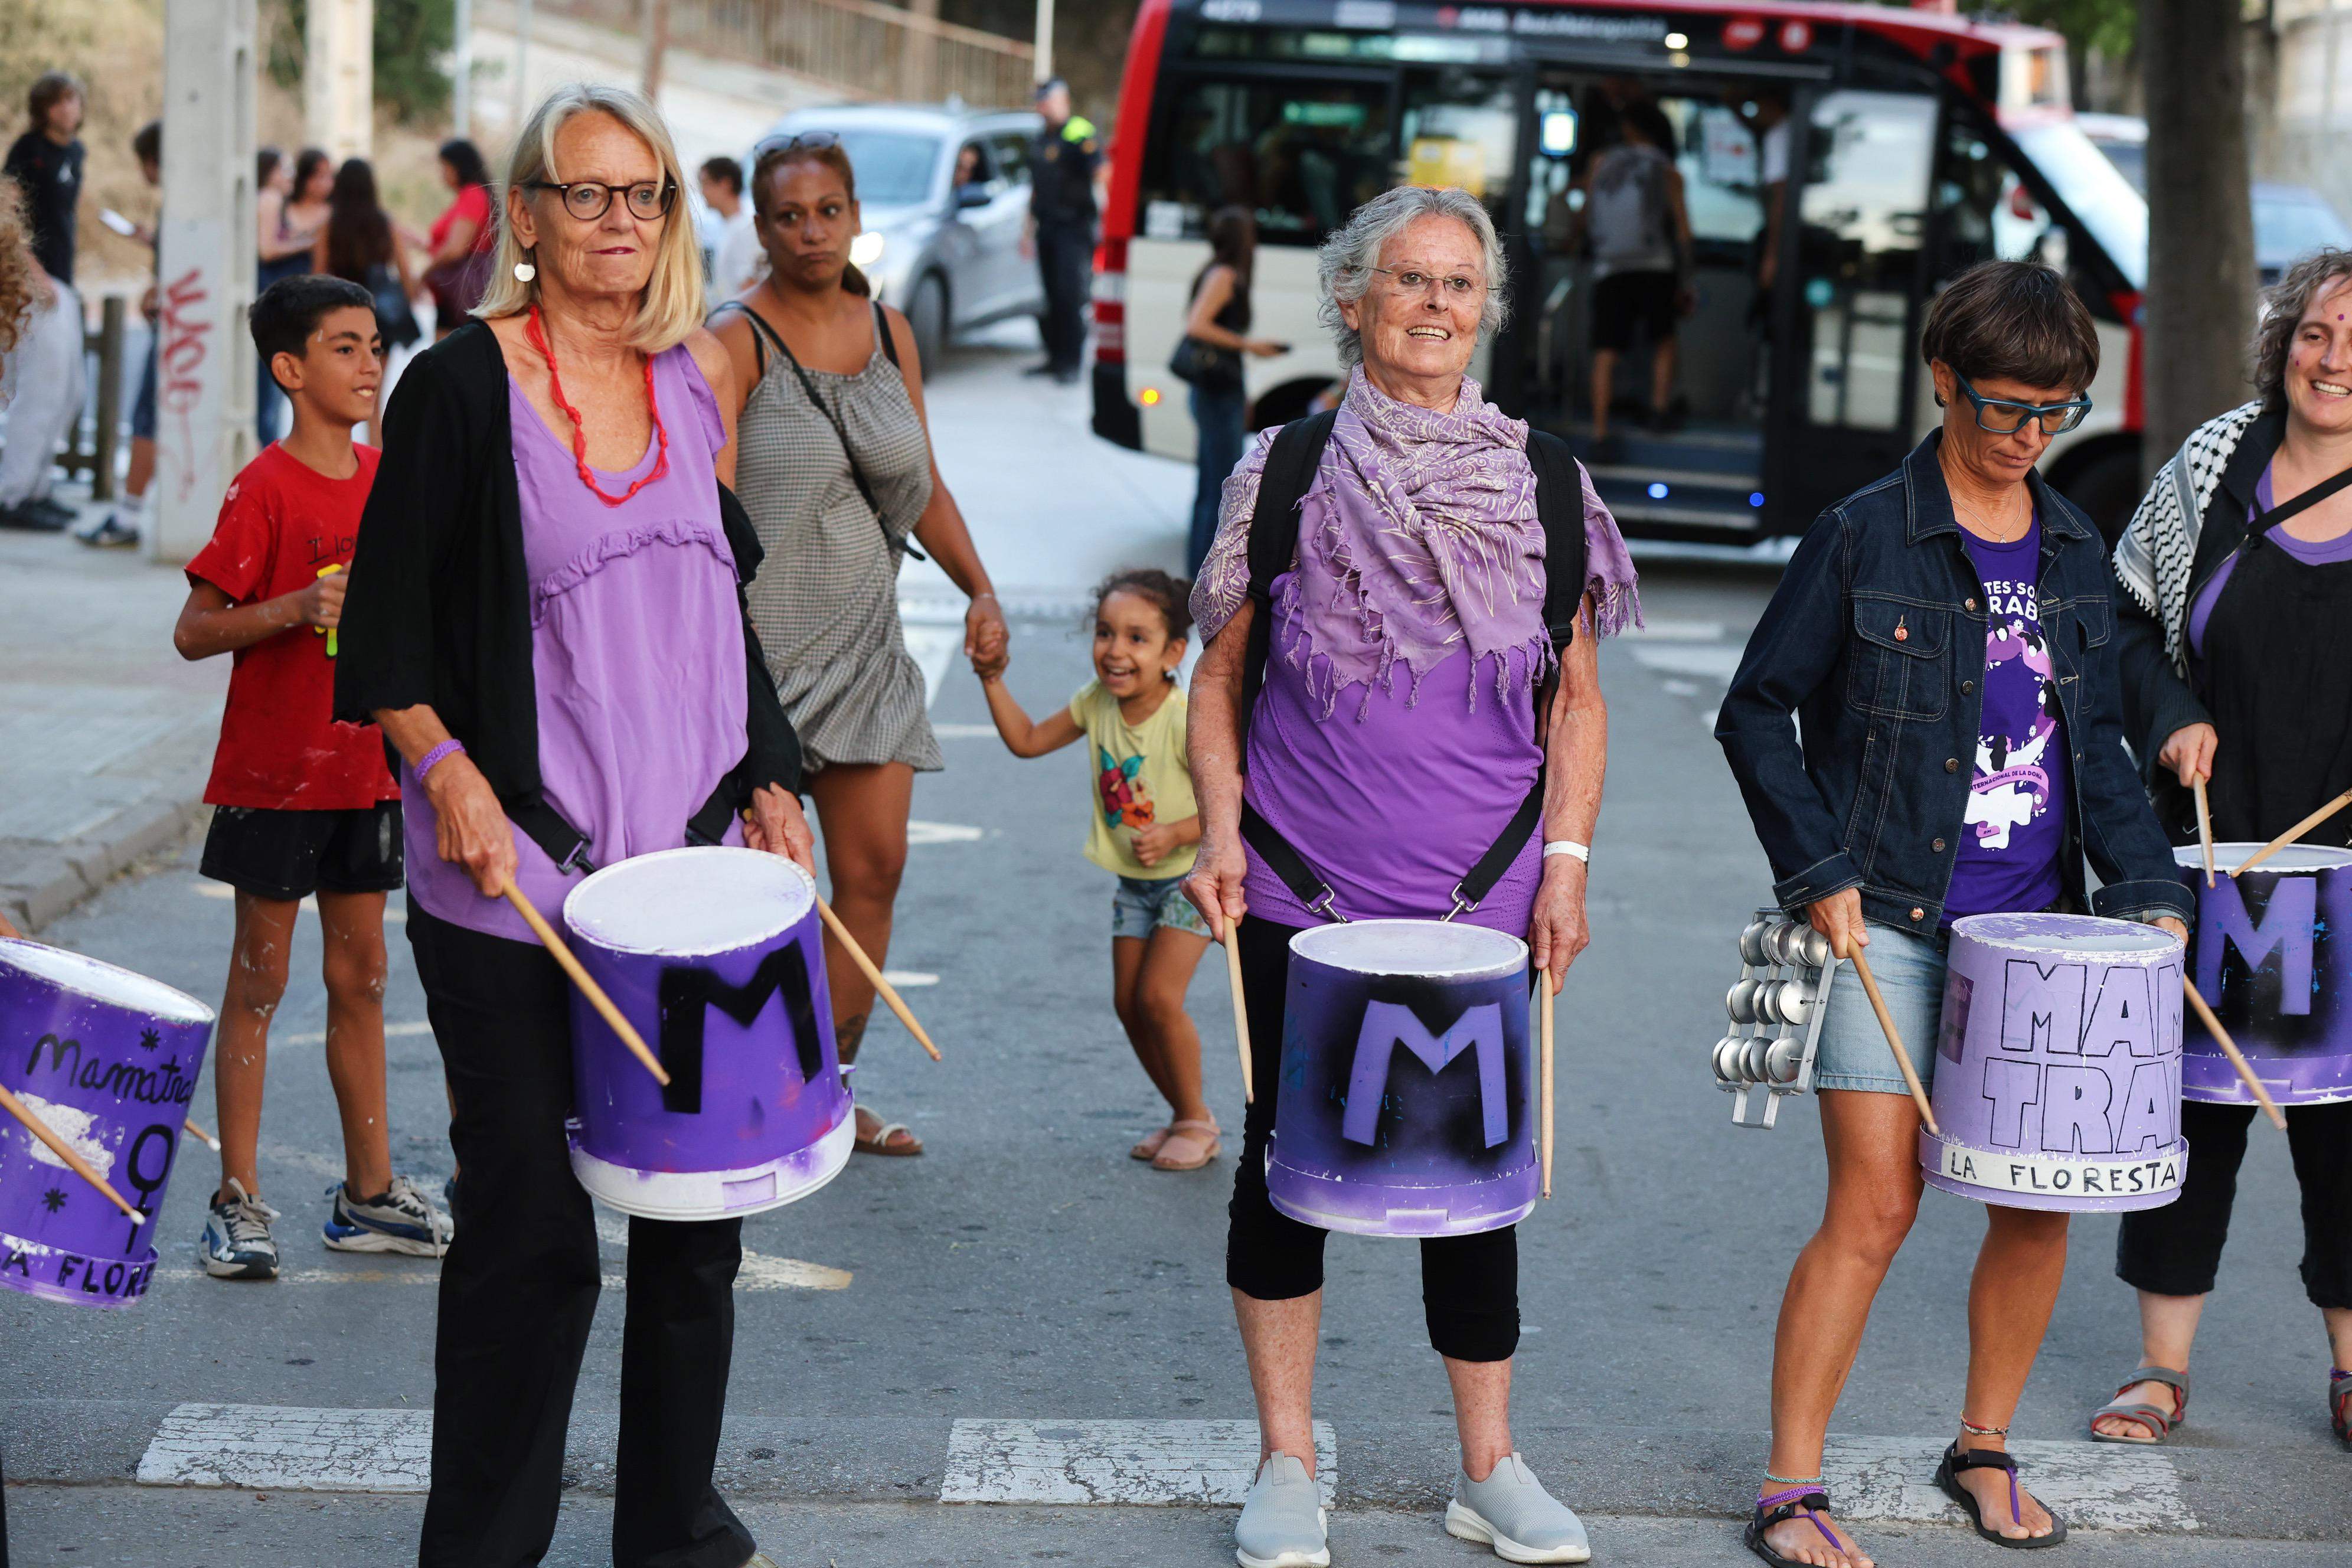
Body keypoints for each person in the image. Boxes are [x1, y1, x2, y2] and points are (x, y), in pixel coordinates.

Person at [336, 83, 811, 1568]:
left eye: (647, 193)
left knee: (695, 1225)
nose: (622, 220)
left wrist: (774, 766)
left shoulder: (688, 379)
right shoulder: (458, 388)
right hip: (520, 886)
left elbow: (720, 598)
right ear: (526, 216)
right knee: (533, 1234)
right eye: (590, 193)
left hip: (692, 881)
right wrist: (450, 775)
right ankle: (482, 1548)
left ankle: (675, 1532)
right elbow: (392, 639)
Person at [1715, 260, 2194, 1568]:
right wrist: (1818, 870)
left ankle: (1983, 1443)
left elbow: (2095, 744)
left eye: (2058, 413)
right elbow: (1758, 706)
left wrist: (2150, 896)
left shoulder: (2077, 546)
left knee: (2036, 1204)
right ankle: (1791, 1483)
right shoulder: (1865, 531)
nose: (2031, 436)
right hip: (1891, 924)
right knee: (1874, 1206)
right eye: (2006, 408)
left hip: (2037, 934)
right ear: (1943, 378)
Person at [1187, 184, 1639, 1568]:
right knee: (1283, 1174)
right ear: (1352, 301)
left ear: (1484, 307)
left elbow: (1577, 697)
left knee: (1477, 1187)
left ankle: (1488, 1467)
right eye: (1409, 282)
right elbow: (1218, 677)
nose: (1436, 306)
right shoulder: (1287, 469)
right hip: (1302, 891)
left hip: (1486, 903)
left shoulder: (1546, 480)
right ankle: (1285, 1458)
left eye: (1459, 283)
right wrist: (1216, 834)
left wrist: (1564, 866)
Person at [710, 132, 1007, 1159]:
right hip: (760, 666)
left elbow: (918, 483)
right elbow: (701, 515)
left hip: (868, 649)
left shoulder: (888, 330)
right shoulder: (732, 340)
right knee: (758, 900)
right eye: (788, 216)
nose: (810, 232)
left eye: (827, 210)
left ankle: (818, 1093)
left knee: (870, 876)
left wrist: (979, 586)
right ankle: (740, 1095)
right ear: (759, 227)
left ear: (851, 214)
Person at [2099, 247, 2352, 1451]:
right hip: (2207, 850)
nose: (2335, 356)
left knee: (2351, 1130)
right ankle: (2160, 1366)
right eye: (2315, 332)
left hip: (2350, 873)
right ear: (2282, 342)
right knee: (2190, 1117)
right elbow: (2130, 623)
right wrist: (2170, 715)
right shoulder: (2213, 464)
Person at [172, 274, 452, 1279]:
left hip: (365, 771)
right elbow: (195, 630)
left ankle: (367, 1193)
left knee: (364, 976)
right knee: (260, 977)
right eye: (345, 347)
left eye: (376, 344)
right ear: (291, 369)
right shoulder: (266, 487)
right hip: (274, 772)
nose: (370, 363)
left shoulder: (388, 479)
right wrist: (295, 606)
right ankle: (237, 1199)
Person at [979, 569, 1221, 1171]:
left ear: (1173, 653)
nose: (1116, 650)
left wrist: (1174, 831)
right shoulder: (1095, 703)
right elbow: (1029, 740)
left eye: (1138, 638)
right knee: (1127, 1003)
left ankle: (1197, 1119)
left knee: (1159, 998)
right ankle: (1182, 1113)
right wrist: (991, 679)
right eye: (1106, 633)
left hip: (1188, 881)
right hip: (1133, 887)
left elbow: (1229, 804)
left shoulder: (1182, 720)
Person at [1569, 103, 1691, 460]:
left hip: (1611, 269)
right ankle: (1657, 410)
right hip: (1657, 265)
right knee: (1663, 339)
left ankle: (1600, 432)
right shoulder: (1666, 168)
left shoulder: (1600, 163)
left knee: (1606, 351)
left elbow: (1584, 216)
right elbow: (1683, 229)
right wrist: (1687, 278)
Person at [0, 73, 87, 532]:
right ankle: (12, 495)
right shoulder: (26, 151)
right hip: (37, 284)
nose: (66, 109)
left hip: (64, 282)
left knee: (71, 392)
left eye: (72, 100)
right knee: (40, 391)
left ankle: (37, 487)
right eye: (57, 101)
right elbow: (6, 216)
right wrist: (34, 274)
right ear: (43, 108)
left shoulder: (76, 153)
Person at [1180, 206, 1283, 576]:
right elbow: (1197, 325)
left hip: (1219, 390)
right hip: (1216, 392)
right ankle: (1203, 576)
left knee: (1211, 483)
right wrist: (1250, 345)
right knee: (1220, 486)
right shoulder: (1224, 275)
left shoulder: (1217, 270)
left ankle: (1197, 572)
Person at [79, 119, 162, 549]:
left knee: (148, 416)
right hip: (182, 325)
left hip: (174, 330)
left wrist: (159, 290)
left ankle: (127, 514)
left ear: (153, 161)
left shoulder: (181, 202)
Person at [315, 158, 423, 442]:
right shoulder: (384, 223)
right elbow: (403, 268)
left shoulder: (331, 224)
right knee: (375, 397)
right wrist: (408, 305)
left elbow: (318, 274)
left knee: (340, 397)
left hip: (342, 318)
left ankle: (344, 465)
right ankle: (378, 467)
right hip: (380, 321)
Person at [1025, 77, 1099, 385]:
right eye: (1040, 102)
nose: (1043, 108)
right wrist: (1026, 231)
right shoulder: (1041, 138)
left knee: (1070, 297)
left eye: (1048, 101)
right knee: (1052, 297)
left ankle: (1071, 363)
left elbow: (1101, 171)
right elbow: (1036, 189)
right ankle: (1054, 359)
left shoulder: (1079, 131)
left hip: (1074, 228)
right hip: (1048, 228)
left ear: (1063, 101)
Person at [256, 148, 319, 444]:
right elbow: (267, 249)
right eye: (283, 169)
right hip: (269, 285)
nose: (288, 177)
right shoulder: (269, 198)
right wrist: (308, 244)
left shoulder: (269, 199)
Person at [420, 138, 496, 340]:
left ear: (458, 167)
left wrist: (424, 273)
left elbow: (456, 249)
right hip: (454, 294)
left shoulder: (473, 195)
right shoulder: (468, 196)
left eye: (445, 167)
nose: (442, 174)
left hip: (460, 293)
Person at [699, 153, 760, 299]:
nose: (703, 192)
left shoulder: (747, 230)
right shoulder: (727, 229)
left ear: (725, 184)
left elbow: (749, 287)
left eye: (706, 184)